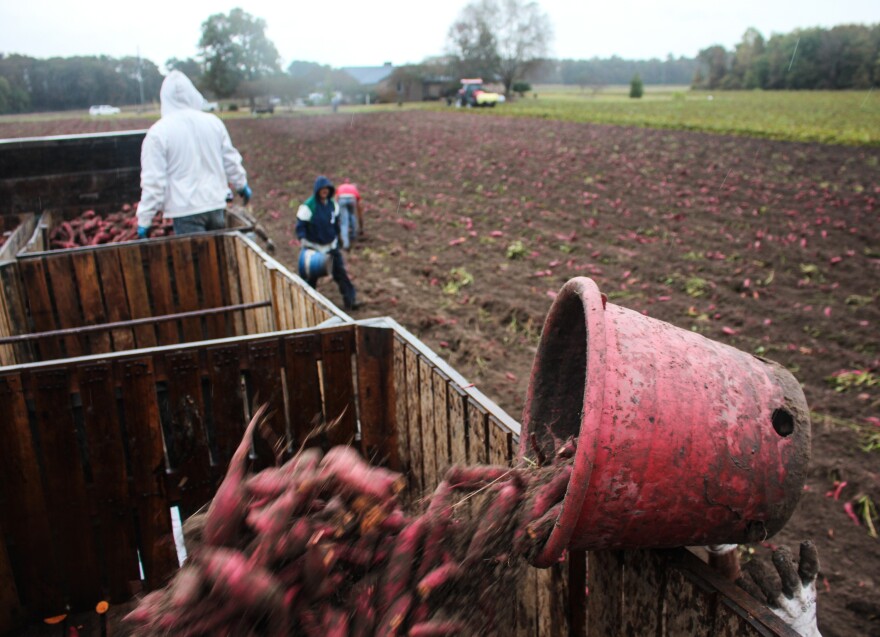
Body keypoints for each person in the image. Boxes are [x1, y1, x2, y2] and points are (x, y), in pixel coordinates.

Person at [135, 71, 252, 238]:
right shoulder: (213, 122)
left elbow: (154, 181)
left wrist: (144, 220)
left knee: (198, 261)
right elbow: (230, 160)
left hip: (186, 211)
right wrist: (241, 185)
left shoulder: (159, 132)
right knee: (218, 256)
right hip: (215, 205)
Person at [296, 176, 359, 310]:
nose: (325, 192)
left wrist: (339, 239)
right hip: (315, 248)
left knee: (340, 274)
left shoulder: (332, 205)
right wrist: (303, 240)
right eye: (322, 189)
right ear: (317, 190)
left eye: (327, 189)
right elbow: (301, 226)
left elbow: (336, 223)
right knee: (311, 279)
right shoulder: (309, 206)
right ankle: (306, 304)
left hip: (331, 246)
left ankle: (350, 300)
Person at [336, 178, 364, 250]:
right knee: (352, 215)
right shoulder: (354, 188)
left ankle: (346, 244)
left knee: (344, 222)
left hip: (341, 198)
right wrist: (361, 227)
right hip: (352, 198)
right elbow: (359, 206)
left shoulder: (340, 187)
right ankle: (353, 236)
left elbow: (336, 198)